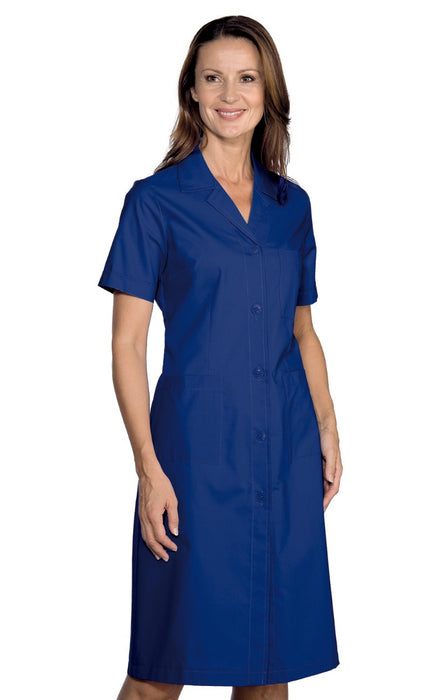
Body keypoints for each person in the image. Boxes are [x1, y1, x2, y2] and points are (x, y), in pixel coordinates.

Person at [98, 14, 343, 700]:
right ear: (192, 91)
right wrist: (148, 470)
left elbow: (303, 331)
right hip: (194, 457)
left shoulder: (291, 205)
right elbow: (127, 344)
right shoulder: (155, 202)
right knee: (159, 670)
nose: (229, 94)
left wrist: (327, 426)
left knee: (268, 667)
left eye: (246, 78)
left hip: (284, 451)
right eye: (213, 78)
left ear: (269, 92)